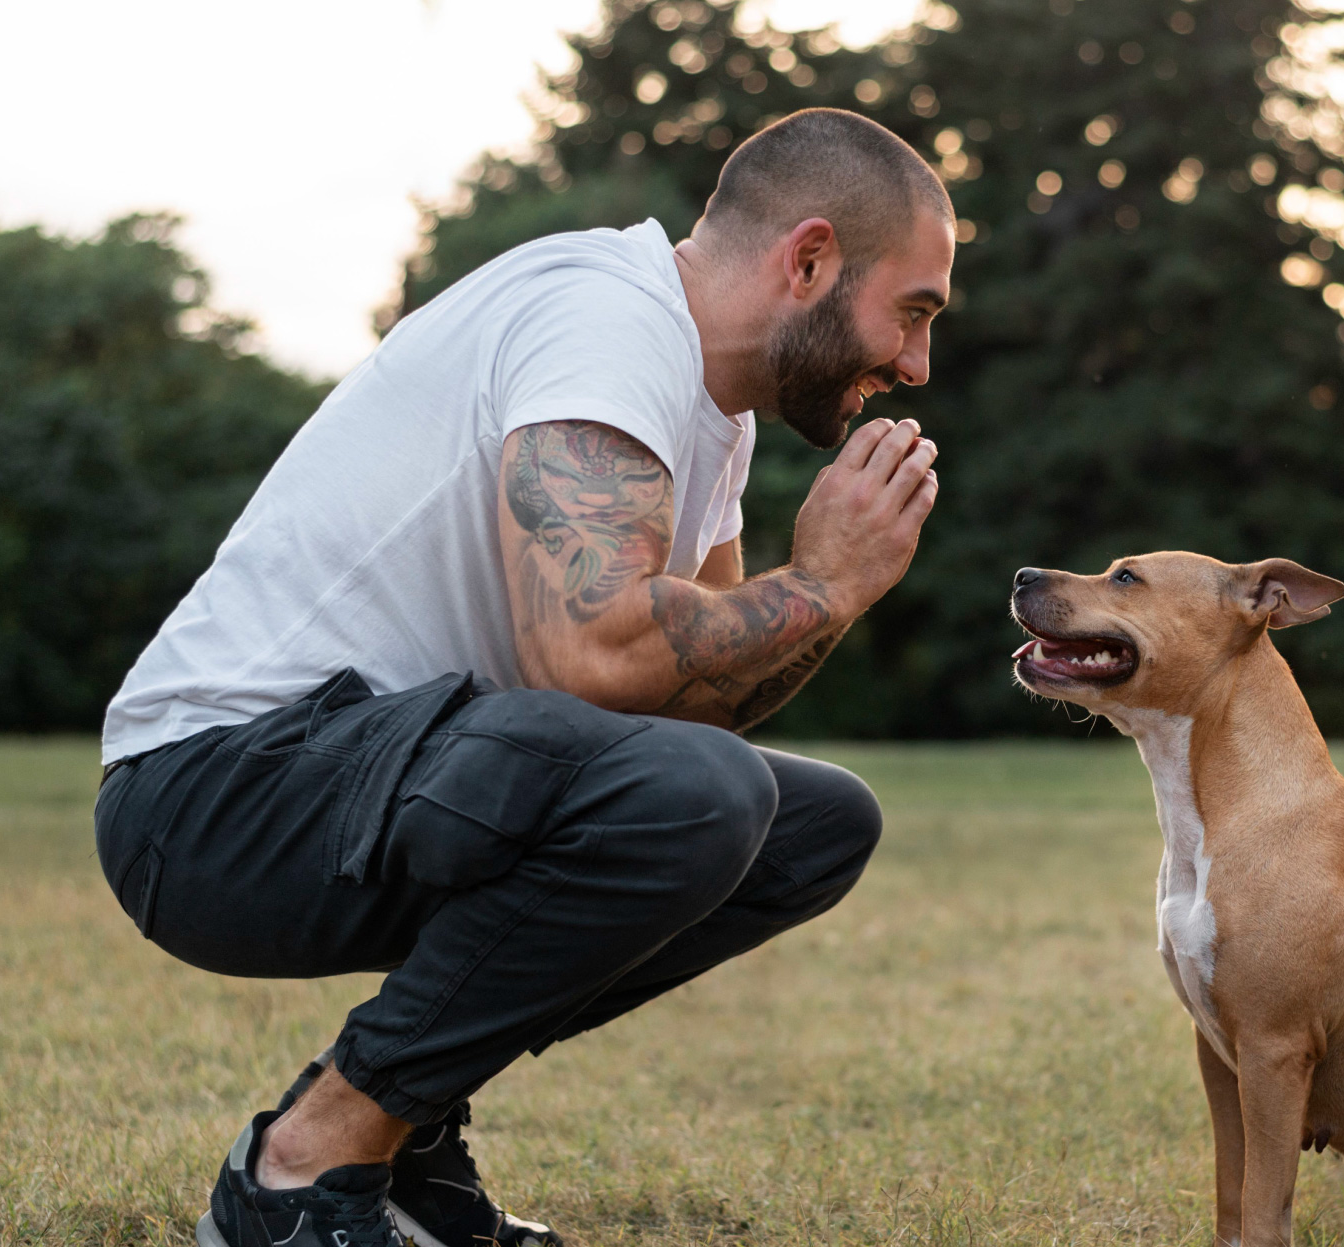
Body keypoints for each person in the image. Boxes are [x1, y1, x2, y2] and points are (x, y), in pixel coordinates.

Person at [92, 108, 954, 1247]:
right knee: (705, 791)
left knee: (813, 823)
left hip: (382, 777)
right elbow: (593, 653)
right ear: (808, 260)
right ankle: (302, 1166)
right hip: (211, 793)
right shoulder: (606, 323)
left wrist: (828, 592)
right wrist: (827, 583)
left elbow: (686, 697)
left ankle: (404, 1143)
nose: (916, 365)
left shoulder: (716, 418)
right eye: (913, 312)